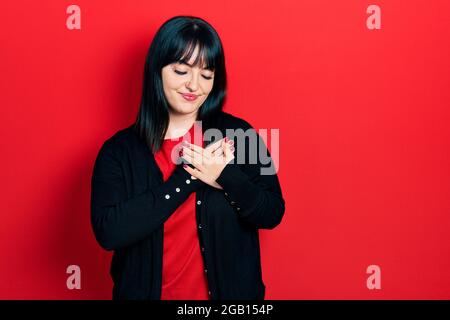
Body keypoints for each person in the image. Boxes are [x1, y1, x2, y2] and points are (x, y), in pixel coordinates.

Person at [90, 15, 285, 300]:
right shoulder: (118, 151)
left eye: (206, 75)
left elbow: (273, 212)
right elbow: (109, 233)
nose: (194, 86)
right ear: (157, 70)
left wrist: (225, 175)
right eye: (181, 71)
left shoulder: (241, 134)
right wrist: (188, 177)